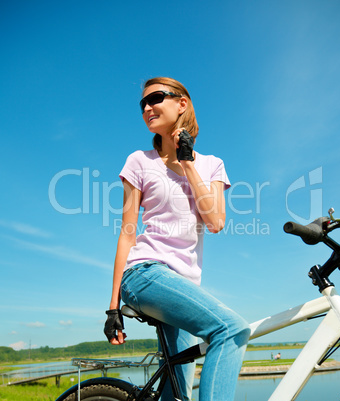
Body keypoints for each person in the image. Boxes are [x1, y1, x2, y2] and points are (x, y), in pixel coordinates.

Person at [104, 77, 251, 401]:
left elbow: (215, 221)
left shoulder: (212, 165)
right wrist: (112, 307)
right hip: (145, 274)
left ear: (181, 103)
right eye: (142, 103)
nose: (146, 107)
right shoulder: (139, 161)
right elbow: (128, 232)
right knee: (232, 329)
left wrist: (188, 162)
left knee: (178, 389)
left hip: (183, 285)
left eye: (155, 98)